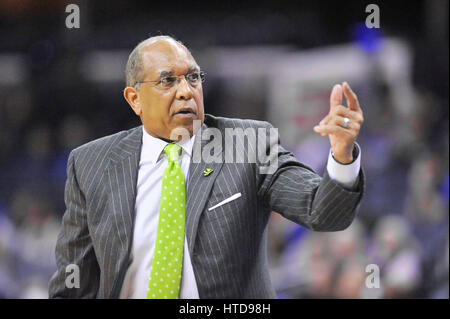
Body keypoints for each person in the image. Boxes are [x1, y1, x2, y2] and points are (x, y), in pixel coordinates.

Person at [48, 35, 365, 299]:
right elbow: (73, 283)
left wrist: (341, 155)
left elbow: (323, 212)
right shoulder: (91, 163)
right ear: (135, 99)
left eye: (193, 77)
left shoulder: (247, 144)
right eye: (168, 80)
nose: (186, 90)